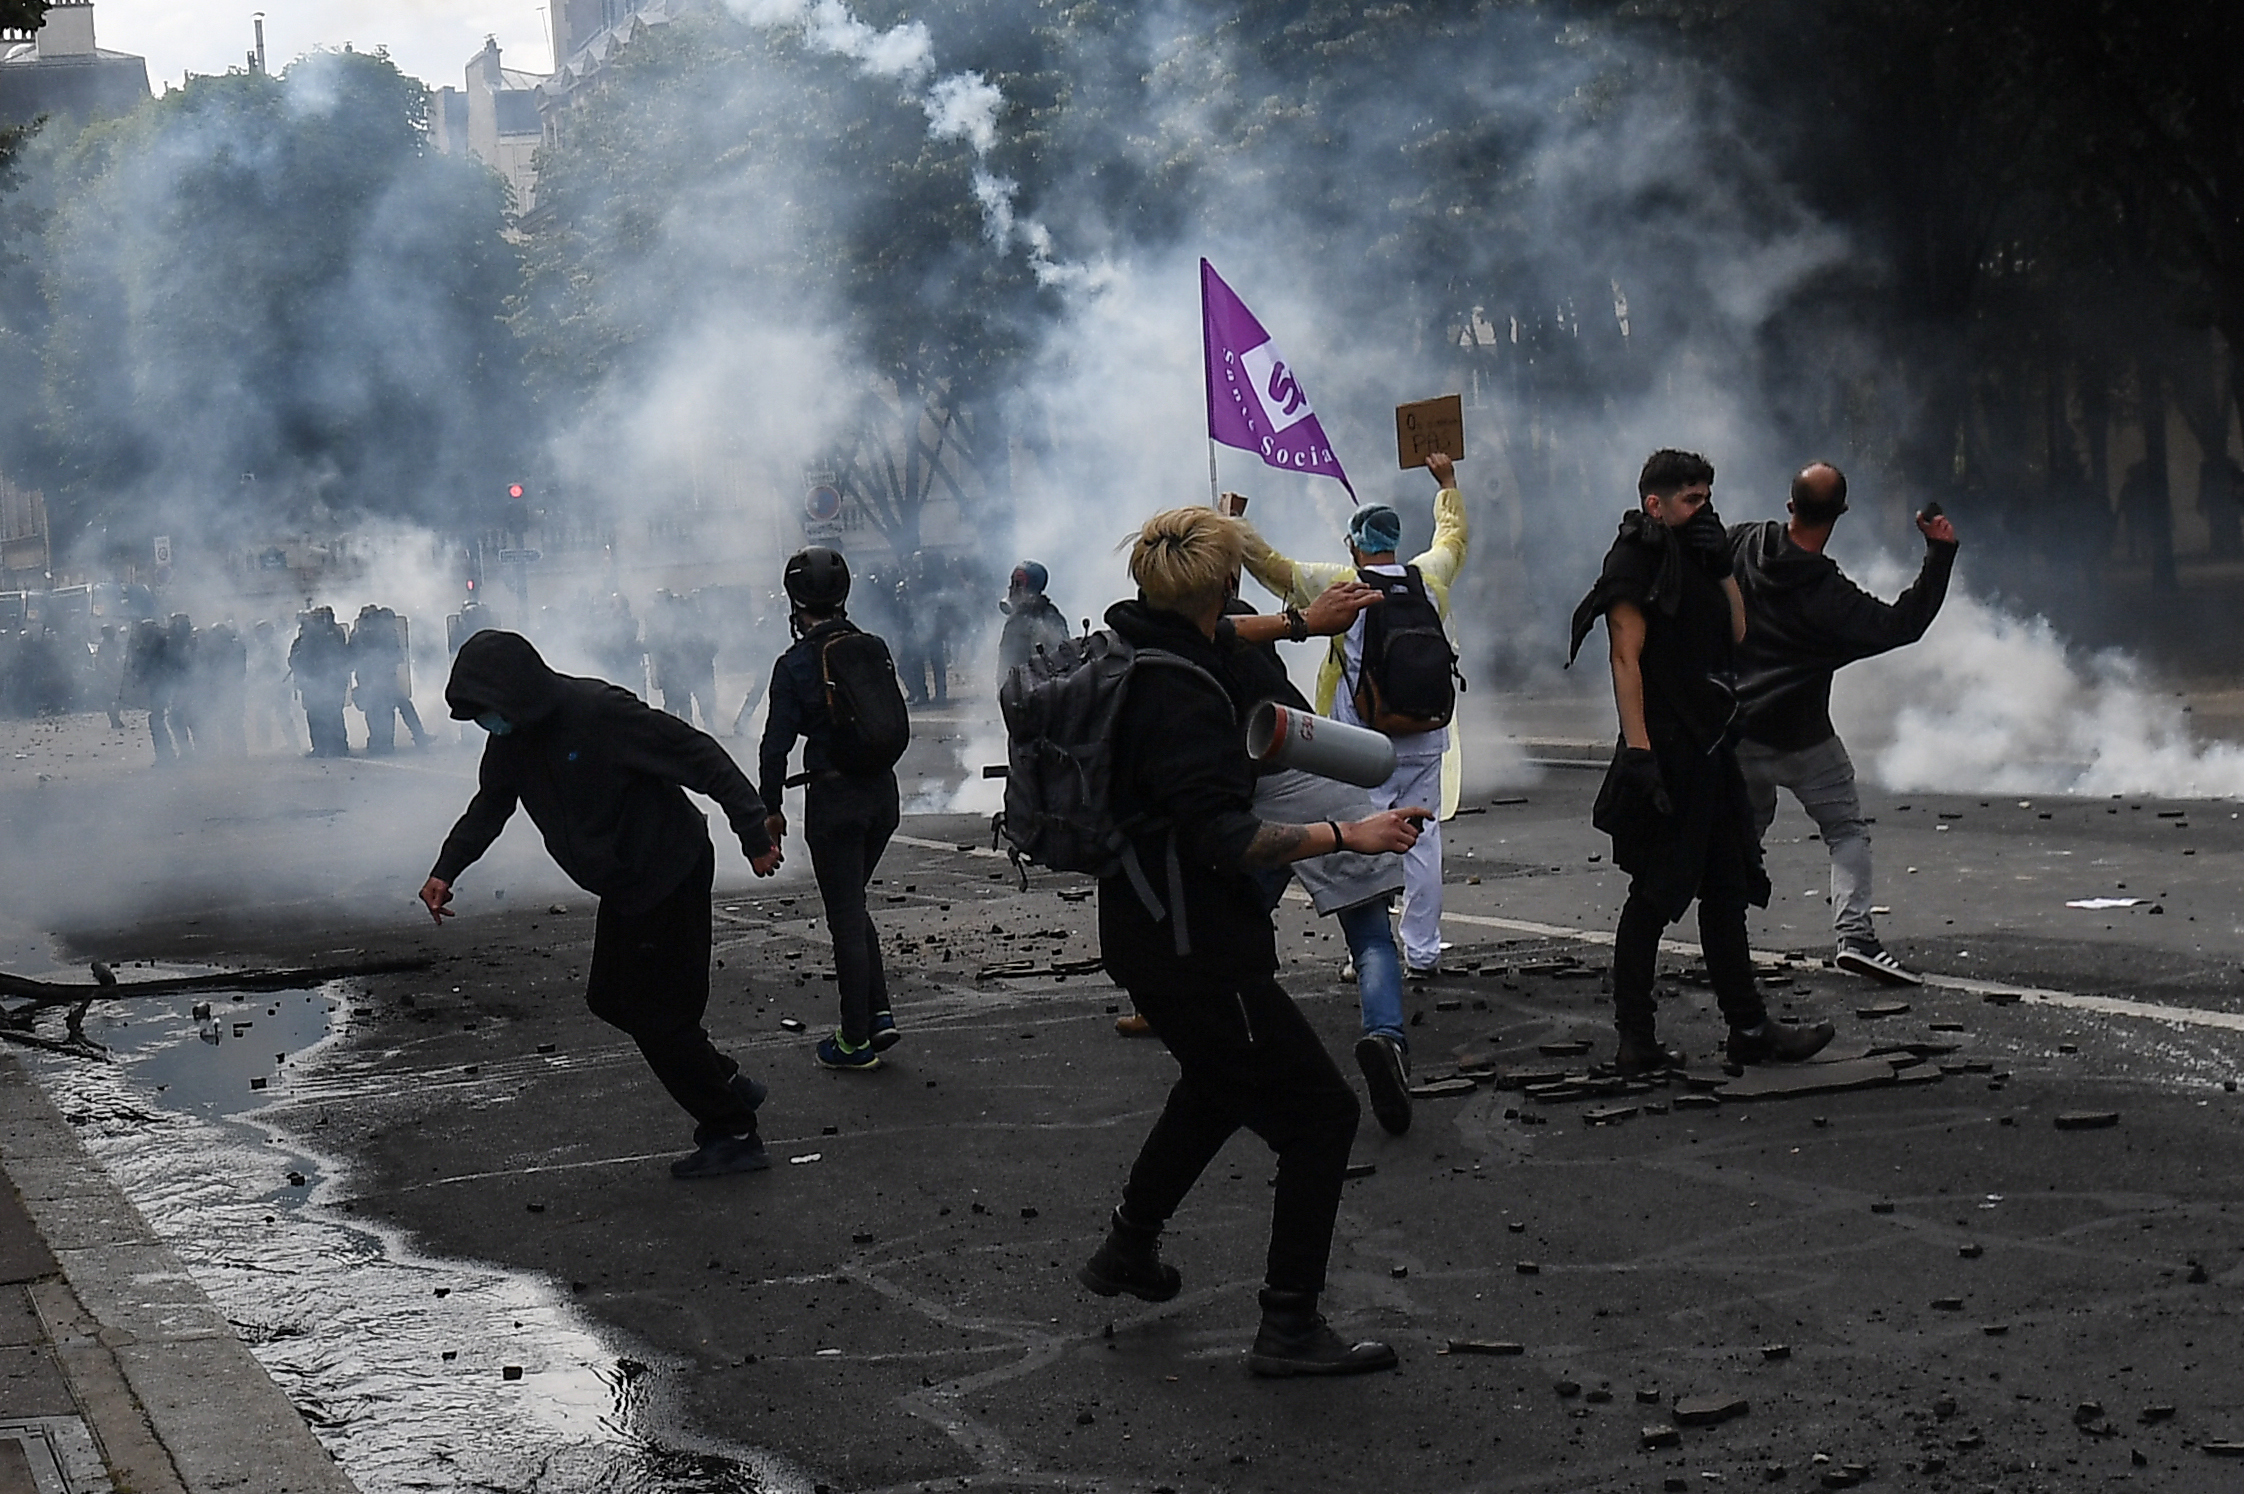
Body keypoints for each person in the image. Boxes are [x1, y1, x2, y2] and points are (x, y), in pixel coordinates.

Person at [1078, 506, 1425, 1377]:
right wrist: (1353, 837)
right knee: (1320, 1116)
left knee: (1216, 1084)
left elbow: (1225, 629)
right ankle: (1289, 1325)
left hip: (1144, 930)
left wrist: (1305, 621)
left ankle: (1127, 1248)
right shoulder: (1185, 700)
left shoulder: (1136, 640)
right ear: (1223, 585)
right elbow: (1230, 839)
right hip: (1195, 946)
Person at [419, 630, 783, 1178]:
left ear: (516, 692)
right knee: (611, 997)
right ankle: (722, 1080)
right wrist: (446, 869)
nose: (483, 726)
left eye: (486, 711)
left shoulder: (599, 711)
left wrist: (754, 833)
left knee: (660, 1015)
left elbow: (698, 756)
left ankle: (732, 1129)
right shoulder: (511, 740)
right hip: (625, 884)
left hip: (669, 868)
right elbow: (491, 805)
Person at [1568, 449, 1833, 1075]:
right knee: (1655, 896)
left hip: (1714, 744)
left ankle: (1748, 1028)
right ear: (1654, 503)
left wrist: (1721, 568)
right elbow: (1624, 659)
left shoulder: (1703, 555)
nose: (1705, 509)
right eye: (1691, 499)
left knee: (1726, 889)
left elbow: (1736, 633)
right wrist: (1639, 753)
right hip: (1666, 748)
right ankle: (1636, 1038)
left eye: (1709, 497)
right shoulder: (1633, 559)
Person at [1230, 452, 1470, 976]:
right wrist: (1447, 483)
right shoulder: (1428, 578)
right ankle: (1424, 951)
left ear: (1357, 545)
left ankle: (1367, 950)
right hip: (1427, 735)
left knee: (1365, 837)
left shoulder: (1339, 583)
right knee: (1422, 839)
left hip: (1361, 745)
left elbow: (1274, 569)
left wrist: (1230, 526)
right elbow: (1453, 538)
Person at [1729, 463, 1958, 984]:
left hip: (1738, 729)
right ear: (1840, 514)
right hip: (1803, 738)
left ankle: (1727, 935)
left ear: (1790, 505)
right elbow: (1903, 624)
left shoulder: (1744, 543)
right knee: (1845, 830)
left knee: (1746, 834)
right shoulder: (1829, 597)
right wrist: (1939, 554)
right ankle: (1855, 937)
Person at [758, 546, 905, 1071]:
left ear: (794, 601)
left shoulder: (795, 663)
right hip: (883, 797)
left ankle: (853, 1039)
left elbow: (775, 744)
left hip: (835, 802)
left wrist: (769, 809)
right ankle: (879, 1013)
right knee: (853, 901)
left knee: (843, 914)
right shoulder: (874, 646)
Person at [290, 607, 353, 757]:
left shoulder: (318, 635)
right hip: (328, 680)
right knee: (331, 713)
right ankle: (337, 746)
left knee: (318, 715)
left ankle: (323, 747)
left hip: (319, 680)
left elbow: (298, 656)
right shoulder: (335, 632)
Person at [996, 560, 1071, 681]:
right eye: (1012, 583)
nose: (1012, 589)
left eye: (1018, 584)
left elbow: (1006, 668)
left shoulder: (1019, 622)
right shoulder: (1055, 617)